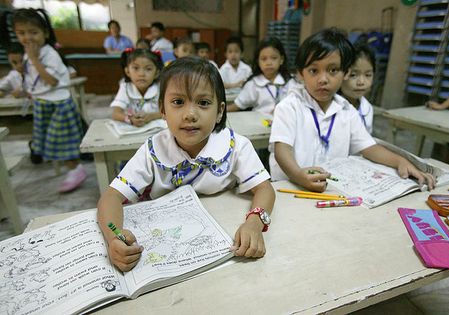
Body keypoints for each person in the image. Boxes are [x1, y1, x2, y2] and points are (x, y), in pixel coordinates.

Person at [97, 57, 275, 271]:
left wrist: (254, 223)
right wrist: (113, 238)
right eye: (178, 102)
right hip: (164, 243)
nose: (190, 114)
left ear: (219, 111)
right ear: (162, 109)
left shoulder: (235, 145)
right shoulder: (153, 148)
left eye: (203, 103)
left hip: (219, 240)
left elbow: (264, 188)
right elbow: (111, 196)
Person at [269, 28, 435, 192]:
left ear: (346, 73)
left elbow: (369, 148)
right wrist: (298, 175)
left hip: (329, 189)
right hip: (290, 187)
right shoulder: (289, 107)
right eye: (314, 71)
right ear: (300, 74)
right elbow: (282, 150)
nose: (323, 79)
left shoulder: (347, 111)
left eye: (333, 70)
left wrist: (400, 162)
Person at [12, 8, 87, 192]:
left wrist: (34, 60)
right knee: (48, 142)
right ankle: (72, 168)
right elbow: (35, 81)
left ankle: (76, 169)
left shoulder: (48, 54)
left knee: (62, 142)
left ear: (45, 33)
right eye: (21, 33)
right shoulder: (29, 54)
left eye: (33, 32)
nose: (27, 38)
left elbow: (52, 81)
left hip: (58, 104)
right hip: (43, 103)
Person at [228, 37, 293, 116]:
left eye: (274, 58)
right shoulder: (254, 84)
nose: (269, 62)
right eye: (264, 59)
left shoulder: (290, 82)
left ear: (281, 59)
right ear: (258, 62)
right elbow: (237, 105)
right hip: (259, 124)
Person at [111, 49, 163, 127]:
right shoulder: (125, 87)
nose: (141, 74)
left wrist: (152, 116)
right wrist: (130, 119)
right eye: (136, 68)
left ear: (156, 73)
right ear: (127, 71)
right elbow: (115, 113)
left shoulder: (161, 88)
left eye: (148, 69)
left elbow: (170, 112)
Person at [339, 43, 376, 134]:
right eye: (353, 75)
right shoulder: (329, 107)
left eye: (368, 75)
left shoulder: (367, 109)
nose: (361, 82)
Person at [219, 36, 252, 101]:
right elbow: (220, 85)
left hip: (243, 98)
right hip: (227, 98)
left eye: (236, 51)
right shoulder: (223, 69)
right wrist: (236, 85)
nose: (233, 55)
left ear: (242, 54)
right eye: (230, 52)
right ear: (226, 54)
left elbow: (250, 84)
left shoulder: (247, 69)